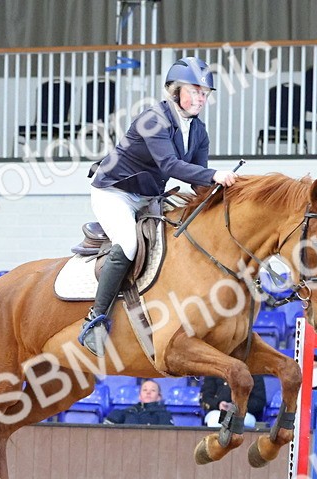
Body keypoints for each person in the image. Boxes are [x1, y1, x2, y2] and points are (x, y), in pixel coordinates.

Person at [79, 56, 238, 356]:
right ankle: (95, 321)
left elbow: (198, 182)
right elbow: (171, 165)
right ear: (174, 91)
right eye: (194, 91)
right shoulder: (153, 119)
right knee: (128, 244)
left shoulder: (198, 131)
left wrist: (230, 197)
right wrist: (216, 174)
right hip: (114, 192)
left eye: (205, 93)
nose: (201, 98)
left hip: (149, 197)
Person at [200, 374, 267, 429]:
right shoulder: (215, 370)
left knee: (245, 421)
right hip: (217, 412)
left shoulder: (253, 373)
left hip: (244, 413)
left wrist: (238, 407)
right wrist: (218, 404)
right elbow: (205, 398)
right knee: (215, 421)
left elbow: (260, 401)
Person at [105, 380, 174, 426]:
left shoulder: (164, 414)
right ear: (139, 396)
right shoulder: (127, 412)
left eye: (153, 390)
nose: (148, 392)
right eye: (145, 390)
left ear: (159, 396)